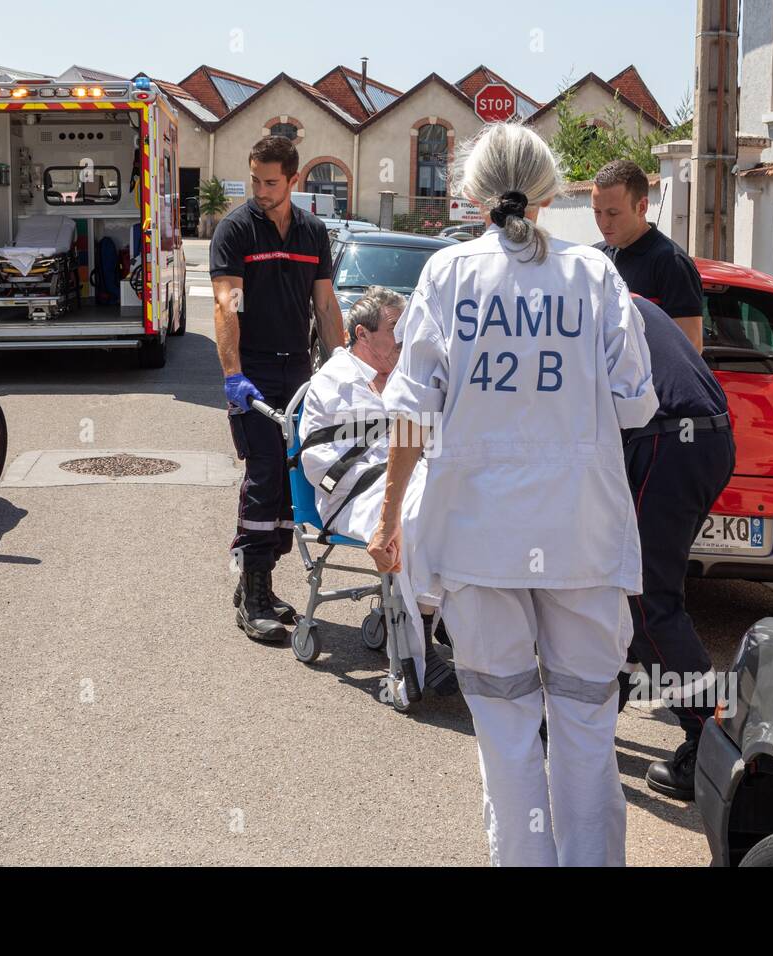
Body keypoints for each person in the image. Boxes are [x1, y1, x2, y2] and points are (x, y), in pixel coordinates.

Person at [369, 122, 658, 866]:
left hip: (478, 537)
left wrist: (392, 511)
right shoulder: (595, 276)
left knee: (504, 733)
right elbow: (636, 402)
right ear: (555, 190)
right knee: (588, 730)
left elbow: (413, 411)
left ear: (470, 192)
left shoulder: (447, 274)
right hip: (582, 539)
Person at [210, 135, 345, 642]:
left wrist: (341, 369)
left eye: (271, 182)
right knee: (265, 475)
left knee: (294, 479)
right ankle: (252, 594)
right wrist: (232, 375)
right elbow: (226, 304)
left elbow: (326, 308)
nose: (261, 191)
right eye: (255, 180)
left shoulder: (313, 233)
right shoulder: (235, 230)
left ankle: (261, 586)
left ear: (294, 180)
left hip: (300, 374)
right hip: (255, 374)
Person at [298, 287, 456, 696]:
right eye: (394, 329)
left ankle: (435, 616)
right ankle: (415, 641)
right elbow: (317, 460)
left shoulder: (412, 379)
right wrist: (390, 474)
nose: (404, 339)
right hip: (351, 497)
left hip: (411, 479)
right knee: (414, 509)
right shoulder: (332, 382)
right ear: (361, 335)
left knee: (456, 500)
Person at [616, 296, 734, 801]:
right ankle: (589, 713)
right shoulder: (615, 295)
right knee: (624, 586)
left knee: (646, 600)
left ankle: (712, 742)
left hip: (669, 441)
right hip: (702, 438)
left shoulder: (571, 303)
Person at [591, 160, 705, 351]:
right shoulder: (595, 258)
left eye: (613, 213)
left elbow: (691, 346)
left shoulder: (672, 263)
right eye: (597, 212)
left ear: (642, 207)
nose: (604, 223)